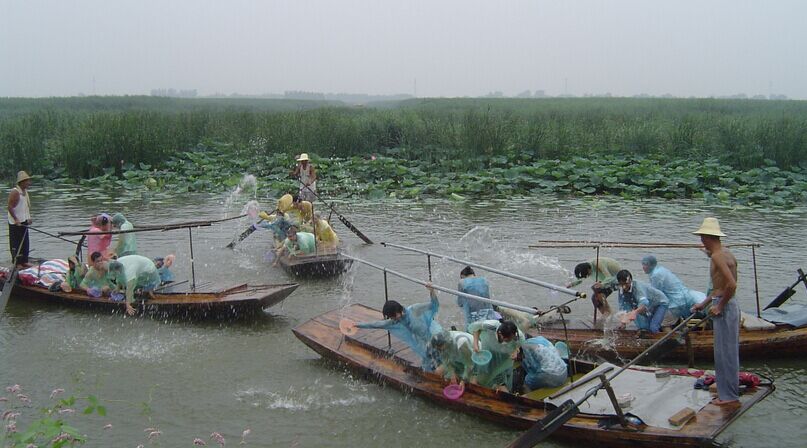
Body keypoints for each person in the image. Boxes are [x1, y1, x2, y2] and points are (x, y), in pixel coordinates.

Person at [691, 217, 740, 406]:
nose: (701, 241)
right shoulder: (725, 252)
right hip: (728, 303)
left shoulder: (717, 256)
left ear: (709, 237)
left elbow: (731, 285)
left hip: (725, 307)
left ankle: (728, 397)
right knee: (727, 351)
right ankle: (727, 392)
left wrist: (719, 306)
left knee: (724, 353)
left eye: (703, 237)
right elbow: (718, 287)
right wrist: (703, 304)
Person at [355, 283, 443, 371]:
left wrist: (431, 290)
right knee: (430, 366)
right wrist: (357, 325)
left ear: (397, 312)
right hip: (424, 344)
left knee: (442, 363)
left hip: (435, 337)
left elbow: (434, 304)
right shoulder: (398, 320)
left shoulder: (414, 309)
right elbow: (378, 324)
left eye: (391, 316)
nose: (391, 319)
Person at [641, 255, 706, 319]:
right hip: (682, 296)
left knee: (661, 321)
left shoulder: (656, 275)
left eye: (645, 264)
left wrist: (647, 306)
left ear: (651, 265)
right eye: (643, 264)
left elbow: (656, 294)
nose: (643, 267)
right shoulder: (660, 269)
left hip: (676, 301)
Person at [469, 319, 524, 392]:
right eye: (507, 340)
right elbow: (476, 329)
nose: (509, 341)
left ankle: (501, 389)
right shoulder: (490, 325)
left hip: (504, 358)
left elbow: (518, 345)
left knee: (500, 378)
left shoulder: (518, 336)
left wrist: (515, 351)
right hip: (488, 350)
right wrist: (475, 344)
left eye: (511, 339)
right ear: (500, 334)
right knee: (481, 374)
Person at [615, 269, 669, 334]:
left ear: (630, 281)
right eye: (622, 284)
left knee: (653, 328)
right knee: (645, 328)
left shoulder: (638, 287)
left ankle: (661, 340)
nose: (624, 287)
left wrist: (635, 312)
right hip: (648, 306)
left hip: (660, 303)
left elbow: (644, 303)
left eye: (626, 284)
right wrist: (623, 323)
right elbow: (624, 307)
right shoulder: (621, 290)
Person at [7, 170, 32, 268]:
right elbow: (9, 207)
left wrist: (29, 217)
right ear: (22, 182)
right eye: (27, 181)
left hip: (24, 221)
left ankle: (24, 260)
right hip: (15, 222)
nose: (29, 183)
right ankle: (17, 262)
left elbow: (26, 207)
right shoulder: (15, 192)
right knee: (16, 243)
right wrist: (16, 219)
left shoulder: (25, 192)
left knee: (25, 242)